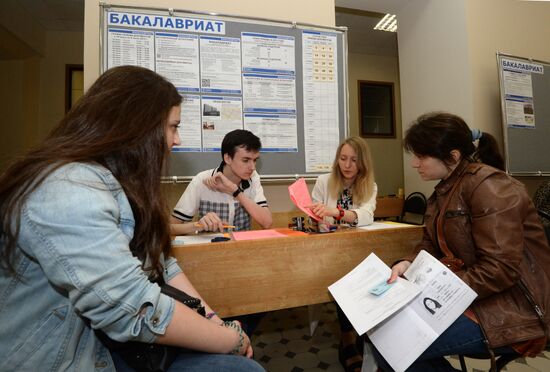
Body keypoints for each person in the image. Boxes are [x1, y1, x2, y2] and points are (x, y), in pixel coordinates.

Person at [0, 66, 263, 372]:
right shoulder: (69, 188)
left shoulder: (119, 182)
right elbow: (132, 307)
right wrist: (228, 340)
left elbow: (163, 263)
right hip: (65, 357)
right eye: (173, 127)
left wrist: (217, 322)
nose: (177, 140)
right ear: (137, 128)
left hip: (111, 345)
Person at [372, 112, 550, 371]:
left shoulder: (490, 187)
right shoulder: (445, 189)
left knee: (394, 346)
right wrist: (407, 263)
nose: (414, 163)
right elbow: (430, 244)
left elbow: (500, 269)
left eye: (421, 156)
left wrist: (442, 291)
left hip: (513, 308)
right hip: (478, 296)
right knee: (385, 334)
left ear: (453, 156)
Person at [309, 136, 377, 372]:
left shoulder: (370, 185)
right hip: (330, 250)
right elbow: (315, 215)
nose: (347, 165)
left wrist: (336, 213)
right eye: (343, 158)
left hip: (357, 249)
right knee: (342, 278)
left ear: (363, 163)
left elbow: (366, 215)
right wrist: (318, 219)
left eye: (353, 160)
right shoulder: (324, 181)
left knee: (358, 278)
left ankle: (357, 334)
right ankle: (348, 336)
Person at [170, 129, 272, 234]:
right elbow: (170, 228)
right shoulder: (201, 180)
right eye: (245, 160)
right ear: (227, 158)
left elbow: (267, 223)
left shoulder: (253, 178)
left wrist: (236, 192)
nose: (253, 167)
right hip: (210, 248)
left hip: (241, 248)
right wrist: (197, 225)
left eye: (255, 160)